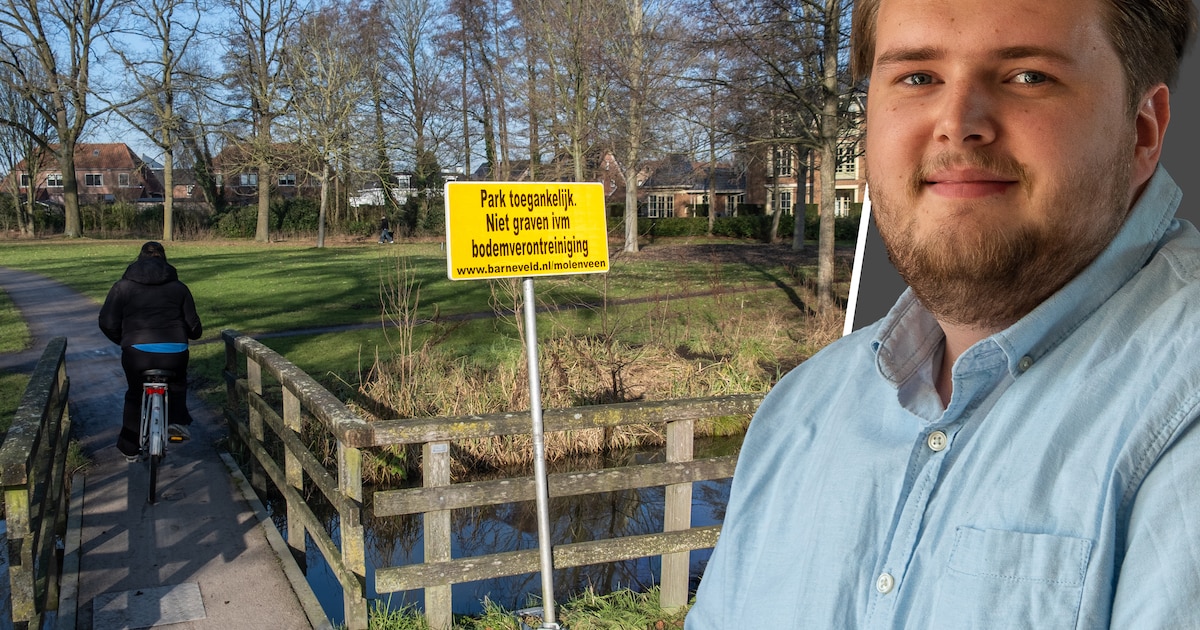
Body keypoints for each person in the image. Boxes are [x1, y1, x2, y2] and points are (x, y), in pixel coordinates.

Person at [686, 0, 1197, 627]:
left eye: (1028, 76)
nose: (957, 124)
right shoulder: (796, 415)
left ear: (1142, 130)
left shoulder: (1184, 416)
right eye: (918, 77)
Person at [99, 241, 203, 462]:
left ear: (139, 258)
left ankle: (129, 447)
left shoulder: (122, 287)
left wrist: (123, 339)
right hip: (174, 351)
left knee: (135, 394)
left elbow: (107, 322)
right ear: (164, 260)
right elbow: (193, 325)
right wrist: (192, 333)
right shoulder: (179, 288)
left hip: (137, 352)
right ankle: (176, 422)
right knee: (177, 384)